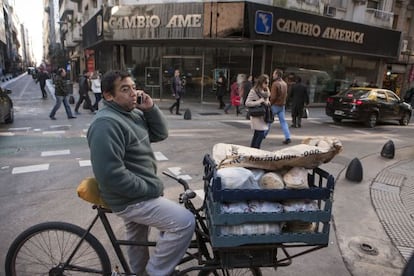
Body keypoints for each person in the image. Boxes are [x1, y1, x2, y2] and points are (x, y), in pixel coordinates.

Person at [87, 70, 195, 276]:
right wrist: (150, 188)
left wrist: (150, 108)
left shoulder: (133, 113)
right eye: (125, 89)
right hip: (129, 198)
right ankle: (155, 273)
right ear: (109, 96)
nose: (133, 93)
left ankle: (137, 273)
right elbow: (110, 175)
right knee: (184, 222)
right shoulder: (106, 123)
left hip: (135, 194)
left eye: (134, 87)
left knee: (136, 240)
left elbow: (160, 133)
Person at [245, 74, 271, 149]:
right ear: (261, 82)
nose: (267, 84)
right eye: (265, 83)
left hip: (263, 115)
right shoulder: (254, 91)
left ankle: (252, 150)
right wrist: (259, 101)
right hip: (257, 115)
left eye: (268, 83)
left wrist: (267, 102)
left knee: (257, 133)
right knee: (260, 134)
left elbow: (266, 100)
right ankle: (256, 150)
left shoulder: (266, 91)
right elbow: (247, 103)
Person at [269, 69, 291, 145]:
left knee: (268, 120)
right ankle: (288, 137)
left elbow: (273, 97)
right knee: (283, 122)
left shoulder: (275, 84)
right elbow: (286, 95)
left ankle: (263, 134)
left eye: (274, 74)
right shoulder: (285, 84)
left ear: (277, 75)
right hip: (282, 105)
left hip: (275, 105)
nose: (273, 75)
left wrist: (270, 103)